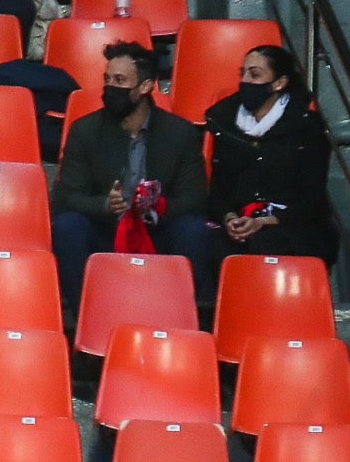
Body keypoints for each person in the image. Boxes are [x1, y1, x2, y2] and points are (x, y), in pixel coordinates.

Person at [51, 42, 212, 312]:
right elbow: (67, 195)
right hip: (107, 228)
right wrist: (105, 204)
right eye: (107, 79)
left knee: (194, 230)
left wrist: (157, 206)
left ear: (145, 86)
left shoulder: (180, 133)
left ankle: (177, 315)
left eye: (120, 80)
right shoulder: (85, 130)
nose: (110, 87)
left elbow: (194, 198)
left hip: (158, 229)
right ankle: (87, 318)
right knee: (68, 226)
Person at [204, 45, 338, 267]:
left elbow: (312, 199)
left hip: (292, 222)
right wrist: (229, 218)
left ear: (279, 83)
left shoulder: (307, 127)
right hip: (239, 220)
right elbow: (218, 190)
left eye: (254, 74)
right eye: (243, 73)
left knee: (266, 245)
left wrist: (263, 222)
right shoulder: (224, 123)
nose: (245, 81)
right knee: (207, 243)